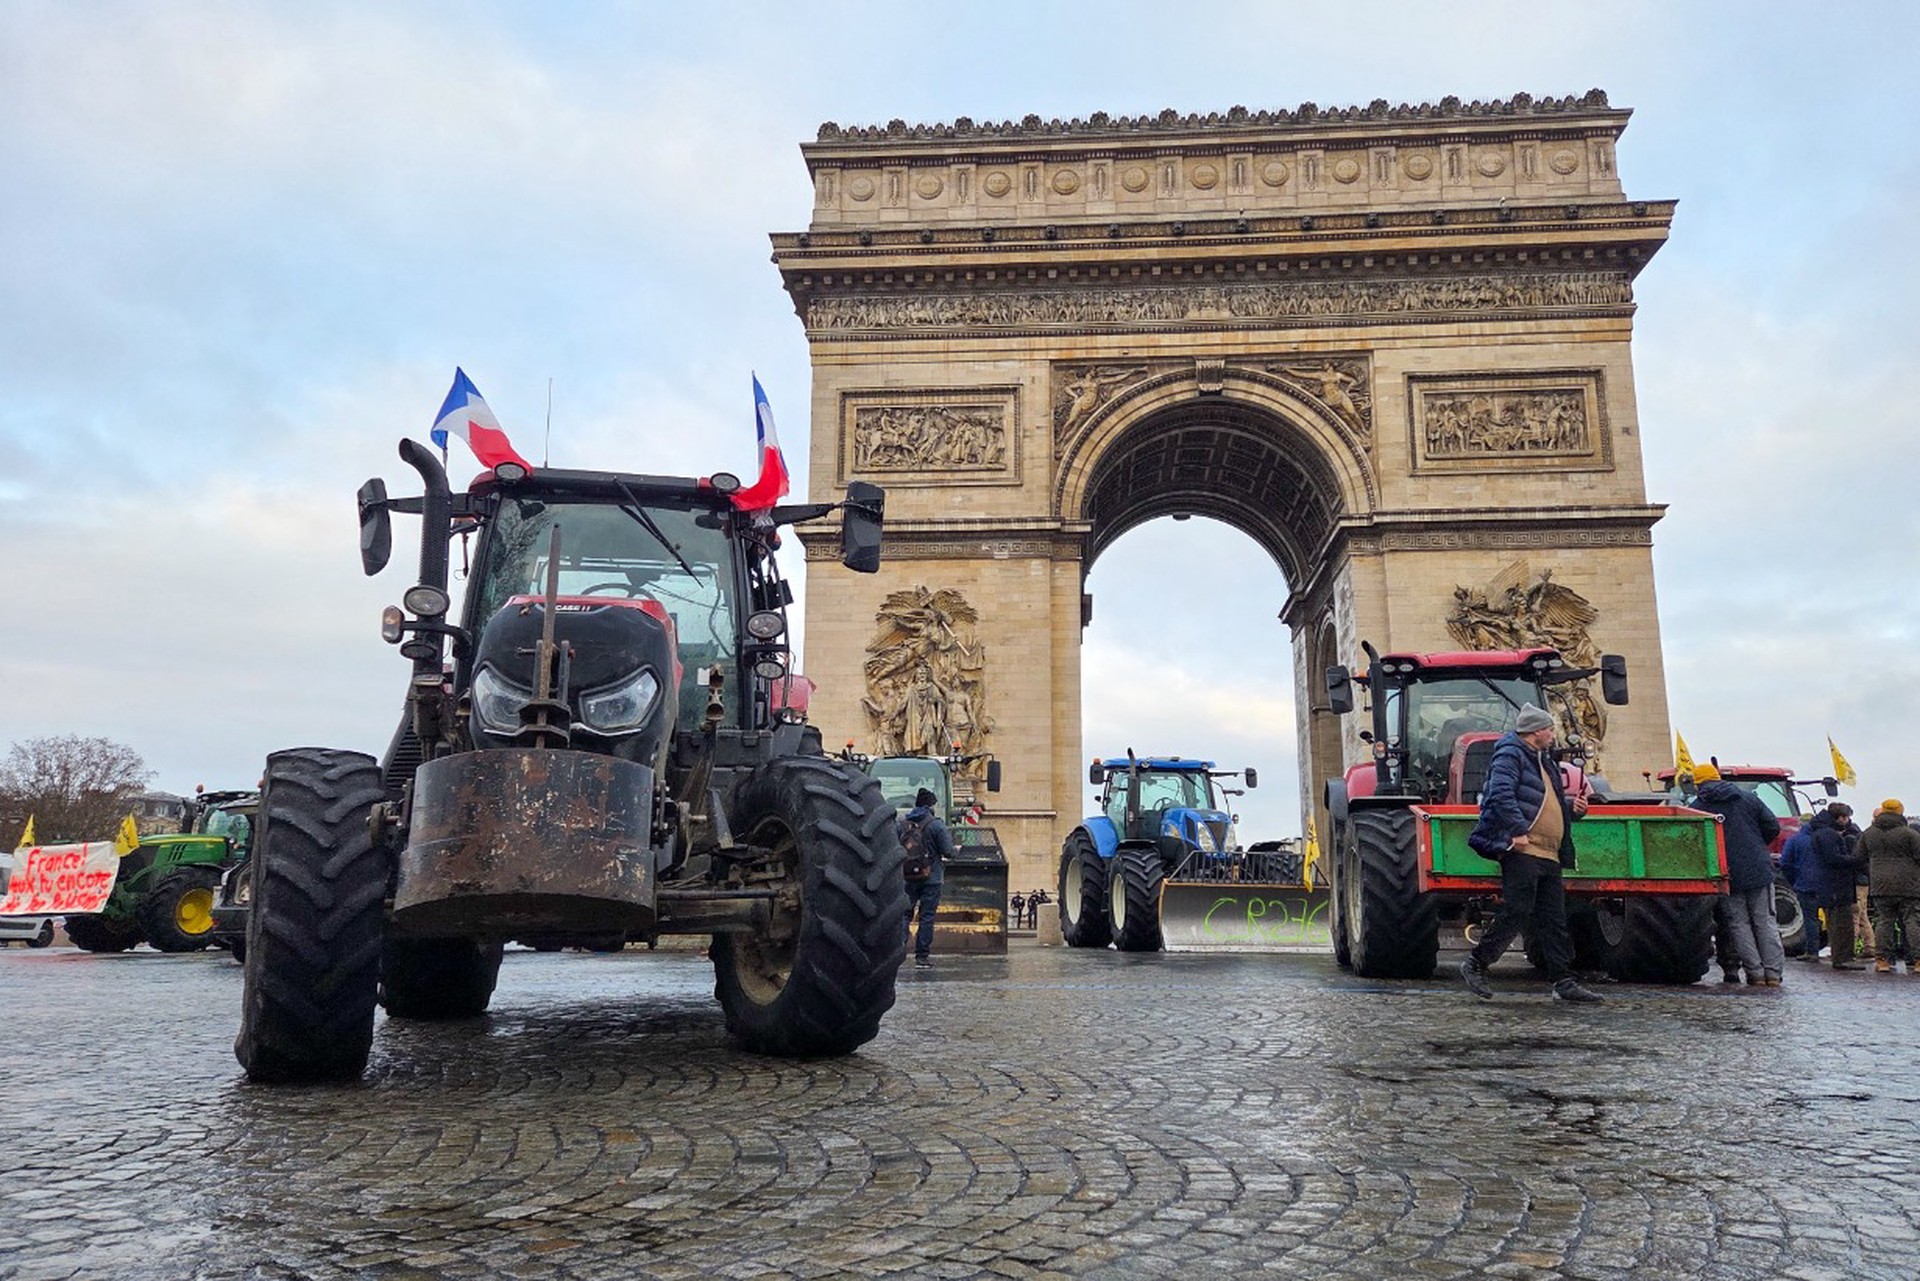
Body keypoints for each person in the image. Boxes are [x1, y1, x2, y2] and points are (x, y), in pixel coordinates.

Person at [1458, 704, 1603, 1002]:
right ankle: (1476, 963)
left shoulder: (1543, 759)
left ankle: (1563, 981)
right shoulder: (1510, 754)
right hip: (1525, 848)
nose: (1553, 734)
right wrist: (1517, 829)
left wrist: (1571, 809)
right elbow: (1500, 792)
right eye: (1549, 729)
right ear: (1537, 730)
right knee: (1517, 909)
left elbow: (1544, 800)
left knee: (1553, 918)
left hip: (1548, 852)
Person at [1687, 763, 1784, 986]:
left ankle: (1756, 974)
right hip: (1758, 869)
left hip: (1725, 873)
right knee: (1765, 922)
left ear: (1698, 784)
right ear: (1718, 777)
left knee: (1739, 925)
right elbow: (1772, 827)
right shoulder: (1748, 798)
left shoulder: (1698, 807)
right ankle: (1774, 974)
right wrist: (1758, 846)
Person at [1858, 798, 1920, 975]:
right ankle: (1918, 960)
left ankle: (1882, 960)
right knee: (1913, 921)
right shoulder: (1909, 834)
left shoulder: (1869, 833)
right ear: (1900, 811)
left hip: (1880, 885)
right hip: (1909, 885)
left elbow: (1859, 856)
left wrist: (1874, 871)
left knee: (1884, 921)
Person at [900, 787, 955, 968]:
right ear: (931, 805)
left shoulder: (902, 824)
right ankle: (922, 958)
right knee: (927, 916)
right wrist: (956, 851)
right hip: (931, 877)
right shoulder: (936, 824)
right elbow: (948, 851)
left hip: (907, 876)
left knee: (905, 914)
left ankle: (899, 952)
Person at [1807, 803, 1865, 969]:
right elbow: (1834, 858)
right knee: (1842, 923)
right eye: (1846, 817)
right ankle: (1843, 958)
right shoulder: (1828, 834)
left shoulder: (1820, 831)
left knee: (1837, 922)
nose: (1847, 821)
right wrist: (1856, 860)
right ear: (1840, 817)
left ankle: (1841, 957)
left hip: (1828, 884)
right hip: (1836, 885)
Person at [1778, 819, 1823, 960]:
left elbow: (1785, 862)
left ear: (1800, 825)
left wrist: (1793, 880)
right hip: (1825, 884)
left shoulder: (1795, 840)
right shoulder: (1824, 839)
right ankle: (1841, 953)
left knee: (1810, 918)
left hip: (1804, 883)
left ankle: (1812, 951)